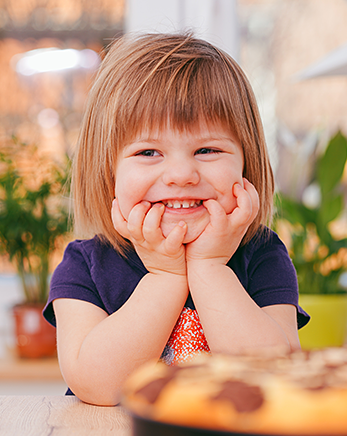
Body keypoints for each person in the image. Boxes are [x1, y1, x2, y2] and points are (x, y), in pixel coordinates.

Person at [42, 32, 309, 406]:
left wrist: (210, 268)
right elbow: (97, 386)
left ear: (247, 164)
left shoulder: (262, 255)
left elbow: (275, 380)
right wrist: (166, 276)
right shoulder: (84, 265)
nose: (181, 174)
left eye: (208, 149)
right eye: (149, 151)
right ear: (108, 173)